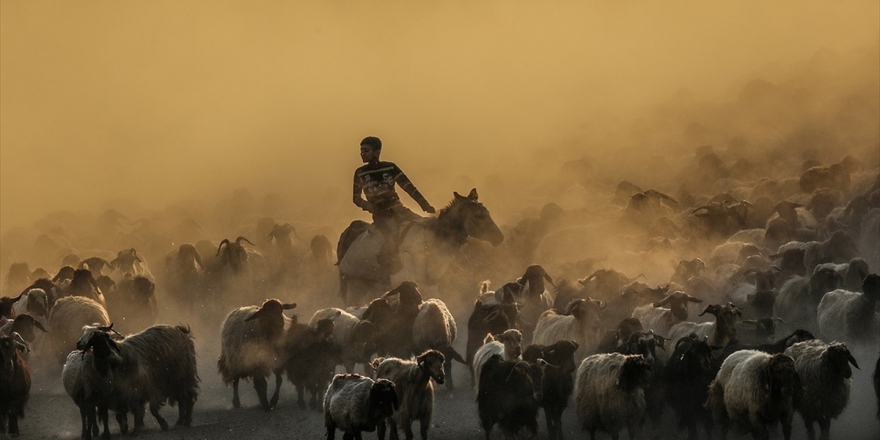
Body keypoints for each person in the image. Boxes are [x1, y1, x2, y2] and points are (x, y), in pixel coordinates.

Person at [352, 136, 435, 275]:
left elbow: (409, 187)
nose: (362, 154)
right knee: (391, 236)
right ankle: (387, 272)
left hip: (398, 209)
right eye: (361, 151)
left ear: (377, 153)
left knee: (425, 225)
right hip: (381, 215)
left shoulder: (390, 167)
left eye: (366, 150)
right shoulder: (360, 173)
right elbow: (355, 198)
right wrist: (370, 207)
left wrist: (425, 205)